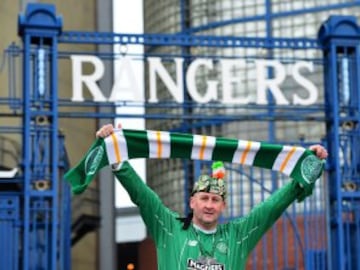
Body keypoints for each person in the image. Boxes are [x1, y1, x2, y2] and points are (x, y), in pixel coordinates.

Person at [96, 123, 328, 270]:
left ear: (223, 206)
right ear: (192, 202)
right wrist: (117, 157)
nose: (209, 205)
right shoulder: (169, 227)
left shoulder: (238, 234)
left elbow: (273, 206)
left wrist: (306, 167)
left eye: (215, 200)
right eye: (204, 198)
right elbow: (142, 195)